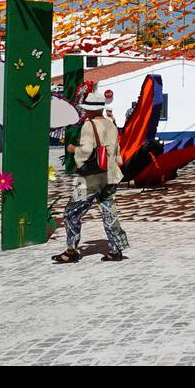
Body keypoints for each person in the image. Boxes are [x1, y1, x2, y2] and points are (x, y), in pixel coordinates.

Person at [52, 93, 128, 264]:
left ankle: (71, 251)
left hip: (91, 178)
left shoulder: (89, 125)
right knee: (109, 211)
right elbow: (117, 150)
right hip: (111, 176)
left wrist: (72, 149)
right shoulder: (111, 124)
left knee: (71, 212)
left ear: (89, 110)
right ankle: (116, 250)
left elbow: (86, 150)